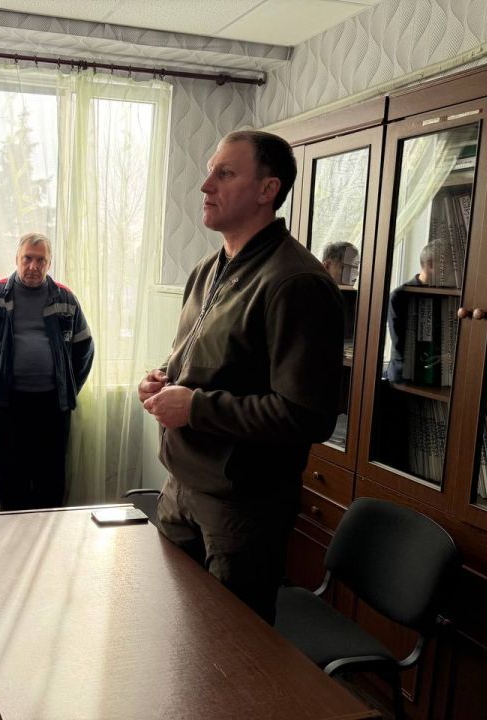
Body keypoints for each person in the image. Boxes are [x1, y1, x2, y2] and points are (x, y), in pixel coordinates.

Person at [138, 130, 344, 625]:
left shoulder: (297, 282)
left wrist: (194, 407)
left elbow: (305, 415)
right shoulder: (207, 270)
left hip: (241, 509)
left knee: (226, 650)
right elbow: (203, 360)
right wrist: (163, 379)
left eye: (225, 173)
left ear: (267, 190)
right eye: (210, 171)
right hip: (181, 484)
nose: (205, 185)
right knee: (169, 632)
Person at [0, 232, 94, 510]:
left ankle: (48, 533)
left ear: (49, 263)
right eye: (27, 259)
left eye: (40, 260)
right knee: (12, 477)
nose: (33, 266)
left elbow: (84, 347)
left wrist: (69, 384)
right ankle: (15, 534)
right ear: (16, 259)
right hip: (8, 402)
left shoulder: (65, 298)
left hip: (53, 403)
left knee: (51, 478)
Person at [385, 241, 437, 382]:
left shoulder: (445, 294)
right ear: (430, 264)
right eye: (447, 265)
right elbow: (400, 345)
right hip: (404, 376)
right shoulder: (399, 296)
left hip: (432, 372)